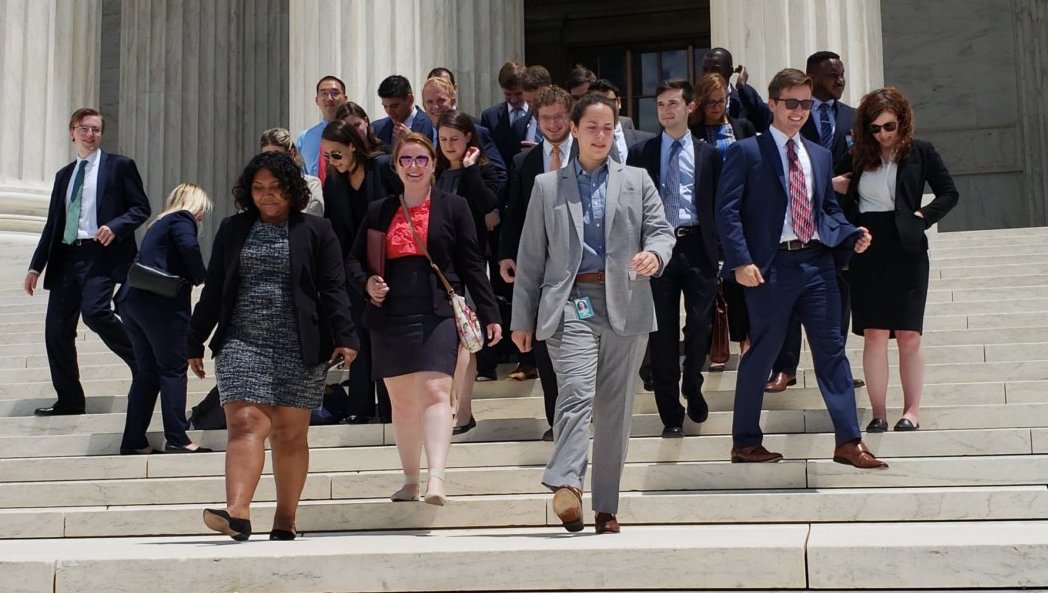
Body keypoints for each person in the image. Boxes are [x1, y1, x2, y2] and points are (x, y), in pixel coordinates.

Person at [511, 93, 675, 534]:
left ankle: (605, 505)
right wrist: (521, 320)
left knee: (615, 408)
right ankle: (566, 483)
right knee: (576, 391)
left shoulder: (638, 180)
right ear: (574, 130)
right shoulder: (547, 187)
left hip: (627, 302)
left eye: (607, 128)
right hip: (571, 303)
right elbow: (530, 258)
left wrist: (655, 256)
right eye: (592, 128)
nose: (600, 136)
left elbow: (661, 231)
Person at [715, 68, 887, 470]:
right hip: (769, 268)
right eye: (790, 103)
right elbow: (727, 212)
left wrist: (849, 233)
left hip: (816, 265)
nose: (798, 111)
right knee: (762, 356)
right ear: (772, 104)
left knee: (832, 352)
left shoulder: (820, 155)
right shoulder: (746, 151)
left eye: (805, 104)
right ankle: (745, 441)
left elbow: (826, 209)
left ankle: (848, 441)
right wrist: (740, 261)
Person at [189, 151, 358, 541]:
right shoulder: (233, 229)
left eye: (276, 188)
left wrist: (346, 336)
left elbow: (333, 288)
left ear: (292, 191)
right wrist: (193, 338)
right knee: (245, 422)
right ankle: (238, 512)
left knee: (289, 434)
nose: (267, 195)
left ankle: (285, 518)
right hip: (241, 341)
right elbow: (214, 289)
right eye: (259, 188)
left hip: (300, 344)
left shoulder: (317, 231)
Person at [346, 133, 501, 505]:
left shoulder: (455, 206)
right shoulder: (379, 210)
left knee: (435, 392)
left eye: (421, 160)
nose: (414, 167)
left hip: (437, 311)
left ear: (433, 165)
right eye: (406, 160)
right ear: (396, 167)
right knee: (401, 403)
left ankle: (436, 479)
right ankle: (411, 480)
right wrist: (367, 283)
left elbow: (472, 264)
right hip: (390, 312)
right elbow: (351, 260)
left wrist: (490, 312)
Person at [834, 87, 958, 432]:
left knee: (908, 334)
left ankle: (911, 411)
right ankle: (878, 413)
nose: (883, 135)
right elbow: (833, 195)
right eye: (875, 128)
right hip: (868, 245)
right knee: (874, 332)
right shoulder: (857, 156)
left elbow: (950, 193)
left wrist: (923, 217)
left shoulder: (921, 151)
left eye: (889, 126)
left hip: (907, 246)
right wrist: (847, 218)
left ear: (902, 122)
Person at [25, 107, 150, 417]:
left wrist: (116, 226)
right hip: (66, 256)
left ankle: (146, 365)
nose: (91, 134)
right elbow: (54, 223)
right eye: (84, 129)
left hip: (100, 254)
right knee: (56, 330)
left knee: (95, 313)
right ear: (72, 132)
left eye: (96, 129)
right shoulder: (63, 175)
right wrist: (35, 265)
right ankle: (69, 400)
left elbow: (140, 208)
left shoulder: (120, 167)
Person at [627, 80, 720, 438]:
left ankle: (692, 383)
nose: (666, 110)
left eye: (673, 103)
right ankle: (670, 412)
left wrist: (723, 253)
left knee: (699, 326)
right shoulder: (641, 153)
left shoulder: (709, 154)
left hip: (698, 247)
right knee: (661, 332)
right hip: (657, 249)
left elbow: (718, 206)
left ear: (690, 107)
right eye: (661, 104)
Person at [767, 51, 861, 393]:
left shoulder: (854, 117)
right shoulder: (791, 116)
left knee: (839, 299)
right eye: (832, 75)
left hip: (838, 225)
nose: (840, 81)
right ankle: (785, 367)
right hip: (795, 223)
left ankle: (837, 367)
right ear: (811, 76)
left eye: (842, 74)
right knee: (790, 301)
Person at [498, 85, 576, 439]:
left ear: (570, 116)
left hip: (583, 266)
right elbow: (513, 213)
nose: (553, 123)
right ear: (537, 120)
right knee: (545, 348)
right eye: (546, 118)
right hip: (542, 269)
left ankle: (582, 416)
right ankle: (555, 421)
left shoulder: (589, 154)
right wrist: (506, 255)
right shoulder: (524, 162)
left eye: (559, 116)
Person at [118, 183, 212, 455]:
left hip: (132, 301)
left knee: (147, 375)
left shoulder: (158, 223)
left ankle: (133, 441)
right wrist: (201, 277)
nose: (201, 218)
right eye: (201, 212)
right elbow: (188, 246)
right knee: (172, 369)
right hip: (162, 305)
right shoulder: (183, 218)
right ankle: (177, 437)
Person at [433, 110, 503, 432]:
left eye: (455, 139)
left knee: (467, 337)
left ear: (468, 140)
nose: (448, 145)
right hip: (438, 266)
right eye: (443, 139)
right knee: (452, 339)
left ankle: (458, 409)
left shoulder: (483, 170)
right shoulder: (431, 171)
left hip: (472, 263)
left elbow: (489, 204)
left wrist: (471, 170)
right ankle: (457, 409)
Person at [320, 120, 392, 424]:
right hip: (353, 268)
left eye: (336, 155)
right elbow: (332, 228)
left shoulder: (383, 168)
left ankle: (391, 410)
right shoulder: (334, 182)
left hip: (390, 264)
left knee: (386, 339)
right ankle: (359, 409)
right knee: (358, 337)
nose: (333, 162)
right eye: (327, 157)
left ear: (352, 145)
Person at [690, 73, 756, 357]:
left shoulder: (743, 127)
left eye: (722, 100)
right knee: (723, 280)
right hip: (710, 212)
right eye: (712, 102)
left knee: (746, 275)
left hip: (745, 209)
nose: (718, 107)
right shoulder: (694, 134)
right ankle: (724, 339)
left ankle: (748, 342)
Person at [420, 76, 507, 180]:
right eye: (430, 102)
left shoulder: (475, 131)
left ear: (452, 102)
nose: (435, 106)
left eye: (441, 100)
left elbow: (499, 174)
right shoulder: (422, 136)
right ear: (424, 106)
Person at [700, 48, 772, 132]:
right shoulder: (696, 102)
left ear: (730, 72)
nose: (708, 75)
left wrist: (742, 86)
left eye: (715, 70)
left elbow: (767, 120)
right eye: (705, 70)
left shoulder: (744, 101)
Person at [260, 127, 325, 216]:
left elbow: (313, 220)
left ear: (292, 153)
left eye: (277, 156)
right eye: (266, 157)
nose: (272, 162)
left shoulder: (311, 184)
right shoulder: (257, 186)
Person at [295, 75, 348, 184]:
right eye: (323, 93)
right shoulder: (305, 137)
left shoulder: (353, 132)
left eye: (335, 93)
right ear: (316, 100)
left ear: (345, 99)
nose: (329, 98)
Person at [481, 60, 532, 164]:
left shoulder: (538, 114)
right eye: (508, 94)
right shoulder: (490, 117)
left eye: (518, 94)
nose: (513, 100)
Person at [371, 75, 434, 149]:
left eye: (394, 106)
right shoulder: (376, 128)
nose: (389, 112)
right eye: (385, 106)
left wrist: (411, 139)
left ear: (410, 100)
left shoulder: (430, 124)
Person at [520, 65, 553, 146]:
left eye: (537, 100)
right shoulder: (519, 126)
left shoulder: (568, 121)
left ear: (550, 90)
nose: (534, 106)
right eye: (528, 101)